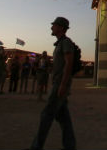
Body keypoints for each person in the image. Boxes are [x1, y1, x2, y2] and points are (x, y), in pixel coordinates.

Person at [30, 17, 77, 150]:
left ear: (61, 28)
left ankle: (36, 146)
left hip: (59, 85)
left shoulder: (66, 43)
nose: (52, 28)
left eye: (54, 25)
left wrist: (63, 85)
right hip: (58, 83)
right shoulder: (60, 44)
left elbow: (69, 64)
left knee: (47, 115)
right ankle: (70, 146)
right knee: (63, 118)